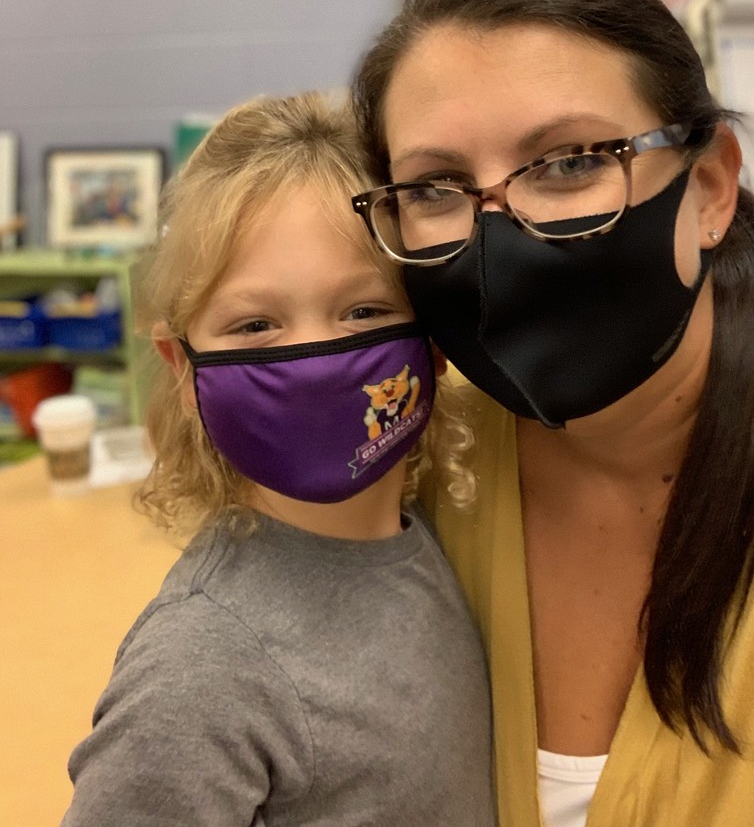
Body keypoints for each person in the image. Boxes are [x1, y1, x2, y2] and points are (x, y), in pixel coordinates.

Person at [349, 0, 754, 827]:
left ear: (707, 186)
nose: (499, 234)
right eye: (435, 186)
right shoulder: (421, 459)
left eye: (571, 161)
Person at [61, 93, 495, 827]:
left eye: (364, 310)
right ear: (181, 366)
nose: (315, 363)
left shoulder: (442, 540)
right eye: (255, 324)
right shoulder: (198, 666)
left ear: (435, 338)